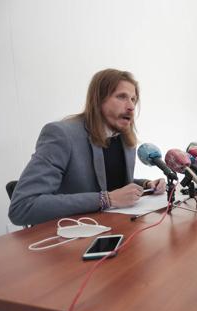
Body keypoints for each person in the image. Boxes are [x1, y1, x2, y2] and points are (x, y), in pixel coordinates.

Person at [9, 69, 166, 226]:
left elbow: (109, 184)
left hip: (116, 229)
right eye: (121, 97)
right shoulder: (61, 135)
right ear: (98, 99)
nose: (131, 106)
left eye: (133, 99)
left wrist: (145, 185)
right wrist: (106, 199)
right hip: (71, 238)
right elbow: (22, 206)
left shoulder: (124, 139)